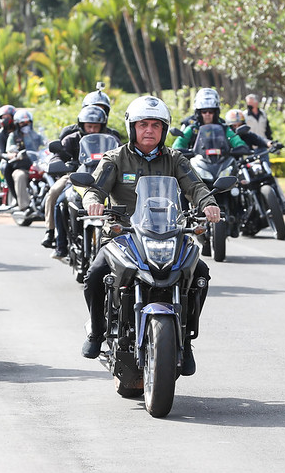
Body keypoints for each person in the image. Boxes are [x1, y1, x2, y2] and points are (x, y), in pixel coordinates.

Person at [80, 95, 221, 376]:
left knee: (201, 273)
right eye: (143, 124)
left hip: (170, 233)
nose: (149, 130)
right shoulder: (115, 158)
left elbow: (196, 187)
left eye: (156, 125)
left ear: (164, 130)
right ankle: (97, 332)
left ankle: (187, 339)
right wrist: (93, 202)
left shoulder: (175, 159)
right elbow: (94, 189)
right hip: (124, 234)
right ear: (132, 127)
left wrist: (209, 204)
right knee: (95, 275)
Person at [46, 105, 119, 259]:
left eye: (96, 126)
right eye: (89, 126)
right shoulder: (71, 139)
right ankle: (57, 240)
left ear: (102, 126)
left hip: (104, 177)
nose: (92, 129)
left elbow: (122, 155)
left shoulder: (112, 138)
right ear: (82, 125)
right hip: (75, 175)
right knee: (58, 198)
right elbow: (57, 155)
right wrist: (59, 164)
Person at [224, 108, 285, 214]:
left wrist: (271, 144)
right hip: (234, 168)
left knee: (270, 177)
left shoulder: (248, 135)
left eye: (239, 125)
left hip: (248, 165)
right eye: (234, 126)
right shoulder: (228, 139)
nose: (237, 128)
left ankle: (282, 203)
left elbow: (261, 140)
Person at [173, 88, 248, 151]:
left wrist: (241, 147)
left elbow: (235, 139)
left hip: (222, 164)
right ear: (199, 113)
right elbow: (179, 143)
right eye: (204, 111)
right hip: (195, 164)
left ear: (216, 113)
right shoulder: (192, 128)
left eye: (211, 111)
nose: (207, 114)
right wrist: (179, 149)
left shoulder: (224, 128)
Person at [3, 109, 44, 211]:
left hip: (37, 165)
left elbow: (45, 144)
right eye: (22, 123)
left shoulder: (36, 135)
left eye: (28, 122)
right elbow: (9, 150)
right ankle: (24, 205)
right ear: (17, 124)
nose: (26, 125)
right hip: (21, 167)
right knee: (19, 176)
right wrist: (14, 154)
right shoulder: (13, 136)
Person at [57, 88, 122, 141]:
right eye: (92, 109)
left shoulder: (112, 135)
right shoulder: (69, 133)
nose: (96, 113)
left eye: (101, 110)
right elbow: (59, 154)